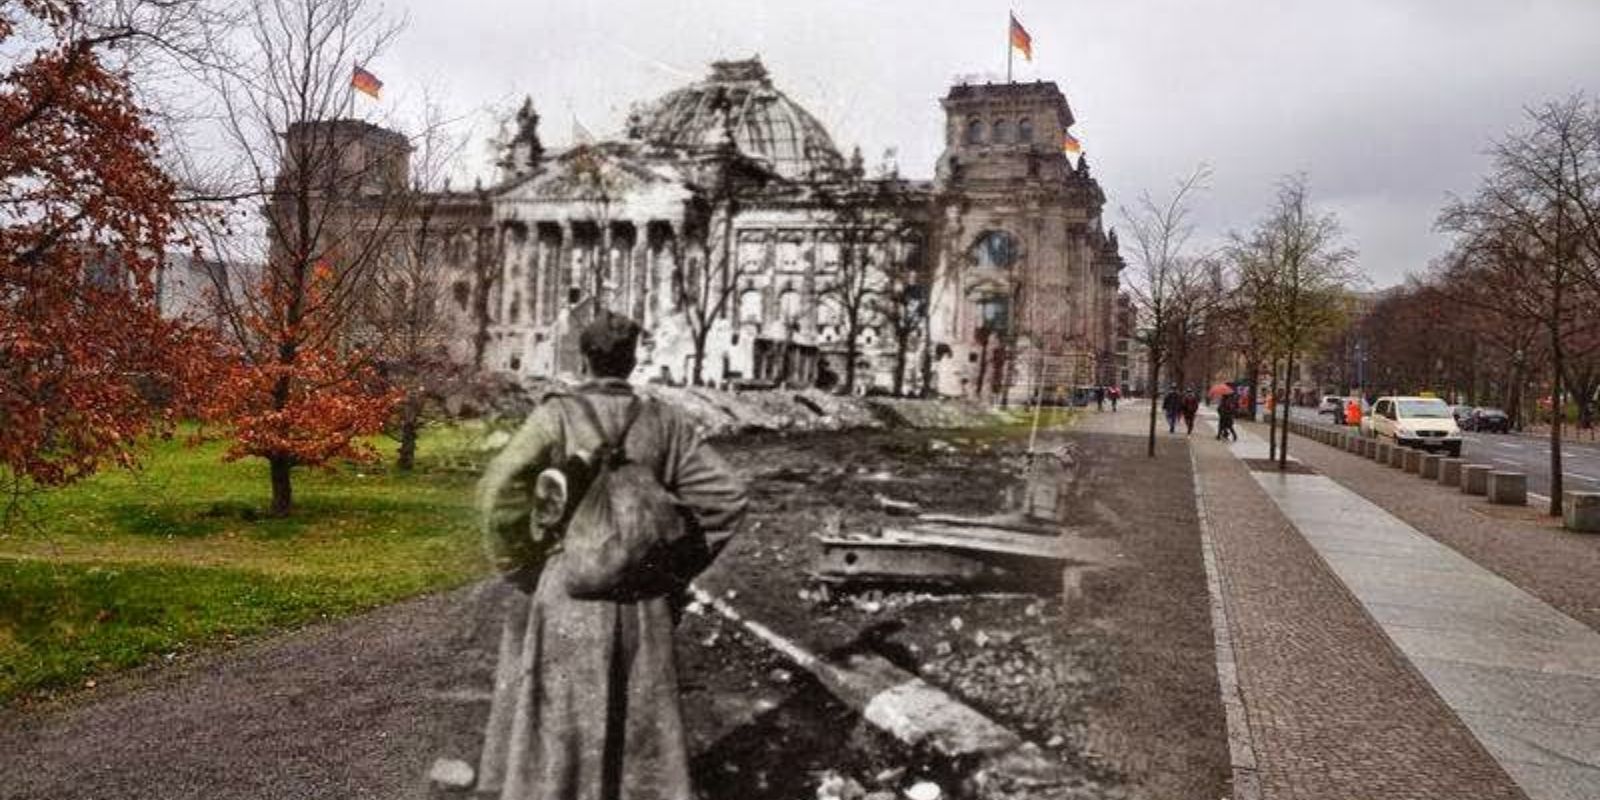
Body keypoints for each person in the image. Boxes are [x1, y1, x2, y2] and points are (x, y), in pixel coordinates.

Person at [476, 312, 748, 800]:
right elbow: (726, 497)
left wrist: (523, 566)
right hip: (642, 599)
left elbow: (497, 491)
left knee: (557, 736)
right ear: (633, 359)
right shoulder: (664, 421)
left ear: (584, 359)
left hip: (568, 596)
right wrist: (672, 567)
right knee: (638, 739)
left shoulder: (556, 415)